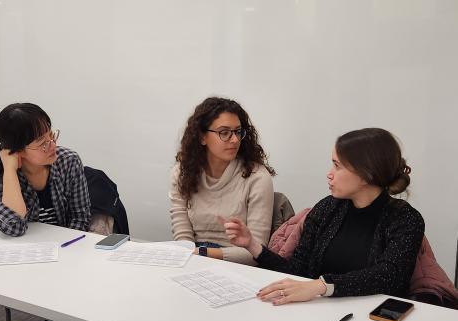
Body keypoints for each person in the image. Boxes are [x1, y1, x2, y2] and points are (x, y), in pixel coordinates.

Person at [223, 128, 425, 303]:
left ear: (366, 174)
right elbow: (297, 271)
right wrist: (252, 245)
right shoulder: (328, 208)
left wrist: (321, 286)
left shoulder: (405, 219)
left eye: (337, 166)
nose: (329, 173)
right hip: (319, 314)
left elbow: (388, 277)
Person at [170, 97, 275, 265]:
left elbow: (257, 252)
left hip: (237, 266)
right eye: (224, 133)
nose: (234, 140)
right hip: (194, 258)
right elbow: (182, 238)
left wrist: (202, 253)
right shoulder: (182, 173)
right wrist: (192, 255)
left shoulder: (257, 178)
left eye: (238, 132)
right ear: (202, 137)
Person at [0, 103, 91, 236]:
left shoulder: (68, 161)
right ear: (17, 150)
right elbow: (13, 228)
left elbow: (80, 219)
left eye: (51, 136)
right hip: (25, 250)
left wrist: (67, 248)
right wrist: (10, 171)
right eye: (42, 144)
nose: (52, 145)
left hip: (65, 246)